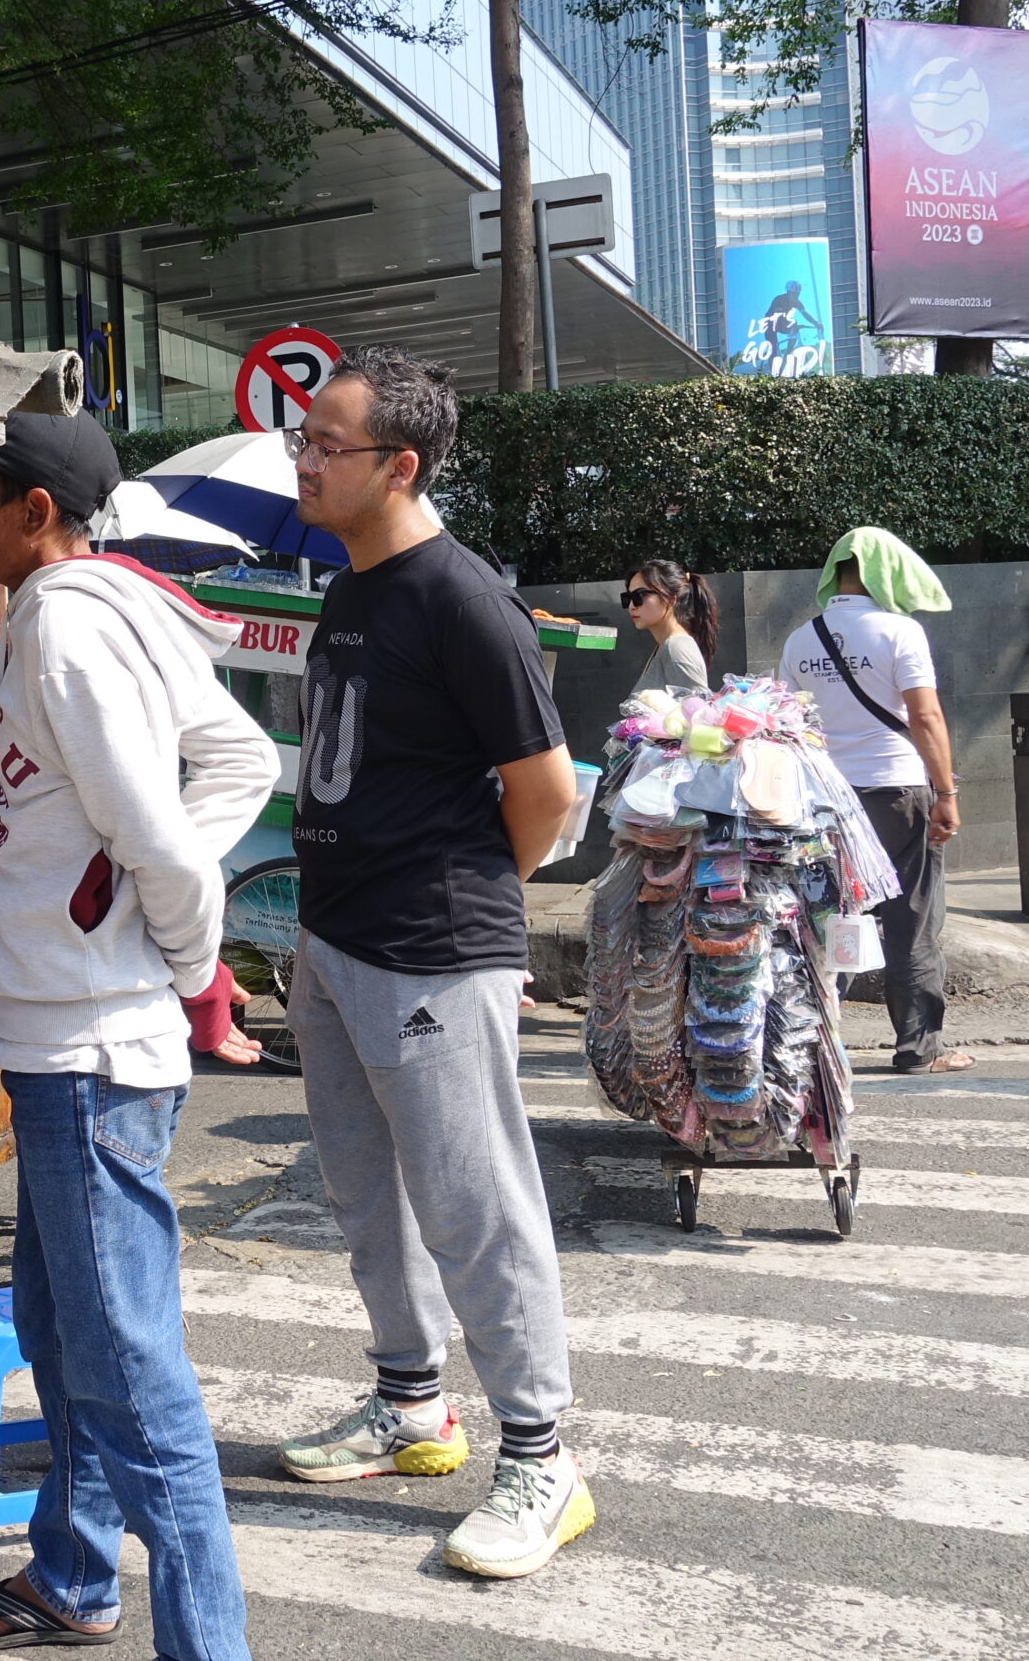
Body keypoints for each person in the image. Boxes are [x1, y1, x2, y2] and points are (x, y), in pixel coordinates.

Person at [0, 411, 274, 1660]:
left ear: (35, 511)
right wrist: (128, 911)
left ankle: (205, 1643)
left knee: (128, 1374)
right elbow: (240, 758)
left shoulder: (66, 620)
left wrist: (171, 953)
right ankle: (72, 1576)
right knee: (59, 1332)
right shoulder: (112, 601)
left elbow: (167, 832)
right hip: (72, 1037)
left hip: (89, 1052)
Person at [271, 345, 590, 1581]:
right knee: (363, 1194)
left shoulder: (463, 597)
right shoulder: (351, 583)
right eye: (304, 437)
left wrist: (473, 903)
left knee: (475, 1206)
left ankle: (541, 1455)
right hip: (335, 938)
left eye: (325, 444)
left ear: (398, 466)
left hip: (431, 948)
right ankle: (410, 1407)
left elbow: (546, 792)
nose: (303, 458)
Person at [778, 527, 971, 1075]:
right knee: (910, 919)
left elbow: (791, 727)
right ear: (888, 573)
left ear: (835, 572)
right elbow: (926, 718)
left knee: (826, 920)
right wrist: (947, 794)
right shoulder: (900, 633)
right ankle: (918, 1048)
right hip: (898, 795)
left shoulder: (800, 640)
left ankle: (809, 1042)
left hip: (828, 803)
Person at [622, 559, 718, 696]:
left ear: (672, 598)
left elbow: (698, 712)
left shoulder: (676, 647)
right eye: (627, 597)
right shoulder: (666, 646)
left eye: (641, 595)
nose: (632, 606)